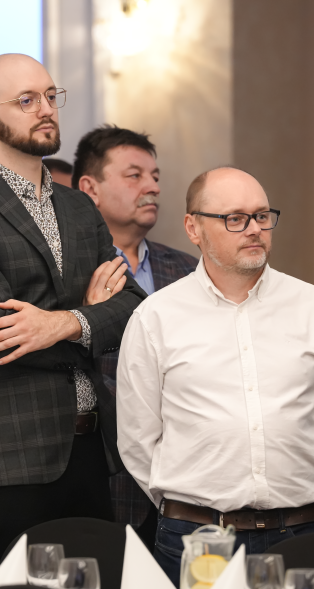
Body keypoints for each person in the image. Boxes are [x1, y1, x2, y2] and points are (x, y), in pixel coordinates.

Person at [0, 54, 146, 589]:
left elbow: (134, 306)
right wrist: (90, 316)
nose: (45, 109)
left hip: (90, 450)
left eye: (50, 95)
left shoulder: (80, 208)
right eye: (26, 100)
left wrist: (63, 322)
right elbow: (0, 332)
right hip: (6, 455)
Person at [116, 166, 314, 587]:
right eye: (235, 218)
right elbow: (138, 439)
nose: (254, 229)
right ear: (193, 228)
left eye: (262, 216)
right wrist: (193, 504)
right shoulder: (155, 316)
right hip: (196, 538)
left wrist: (293, 492)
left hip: (303, 532)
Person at [74, 125, 198, 548]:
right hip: (103, 474)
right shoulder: (72, 272)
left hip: (186, 480)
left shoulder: (187, 270)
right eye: (135, 176)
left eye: (155, 177)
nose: (152, 187)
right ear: (90, 189)